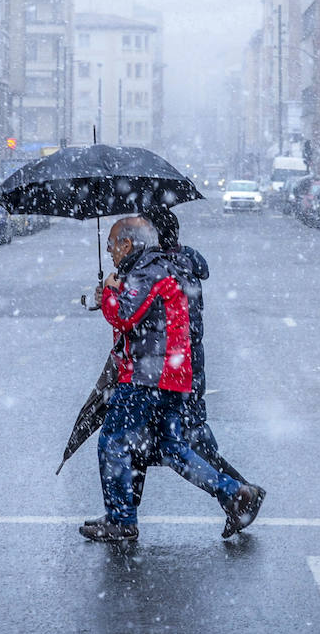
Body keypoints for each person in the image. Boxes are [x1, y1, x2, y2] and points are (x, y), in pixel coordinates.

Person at [81, 217, 263, 542]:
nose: (109, 251)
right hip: (175, 376)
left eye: (112, 244)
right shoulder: (165, 267)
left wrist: (110, 290)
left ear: (127, 244)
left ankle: (121, 520)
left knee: (113, 440)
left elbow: (124, 316)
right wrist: (113, 291)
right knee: (173, 448)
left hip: (146, 377)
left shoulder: (146, 271)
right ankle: (235, 494)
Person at [120, 206, 253, 507]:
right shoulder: (182, 264)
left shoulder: (159, 271)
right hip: (184, 368)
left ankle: (241, 494)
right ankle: (123, 515)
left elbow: (141, 320)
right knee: (156, 442)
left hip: (169, 372)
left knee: (171, 444)